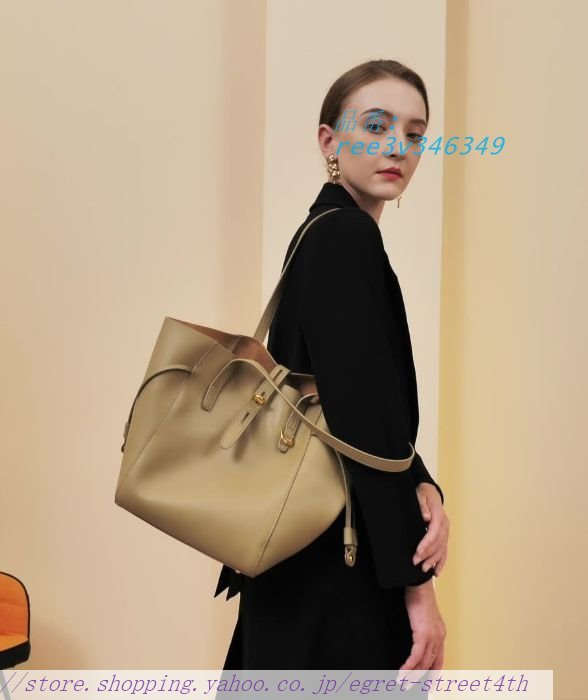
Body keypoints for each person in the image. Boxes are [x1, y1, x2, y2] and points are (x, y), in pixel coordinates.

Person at [214, 60, 450, 671]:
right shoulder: (345, 238)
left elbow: (348, 396)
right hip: (337, 561)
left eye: (415, 133)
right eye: (375, 126)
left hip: (306, 554)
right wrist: (416, 586)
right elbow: (363, 425)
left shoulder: (325, 232)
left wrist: (421, 481)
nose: (397, 146)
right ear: (329, 140)